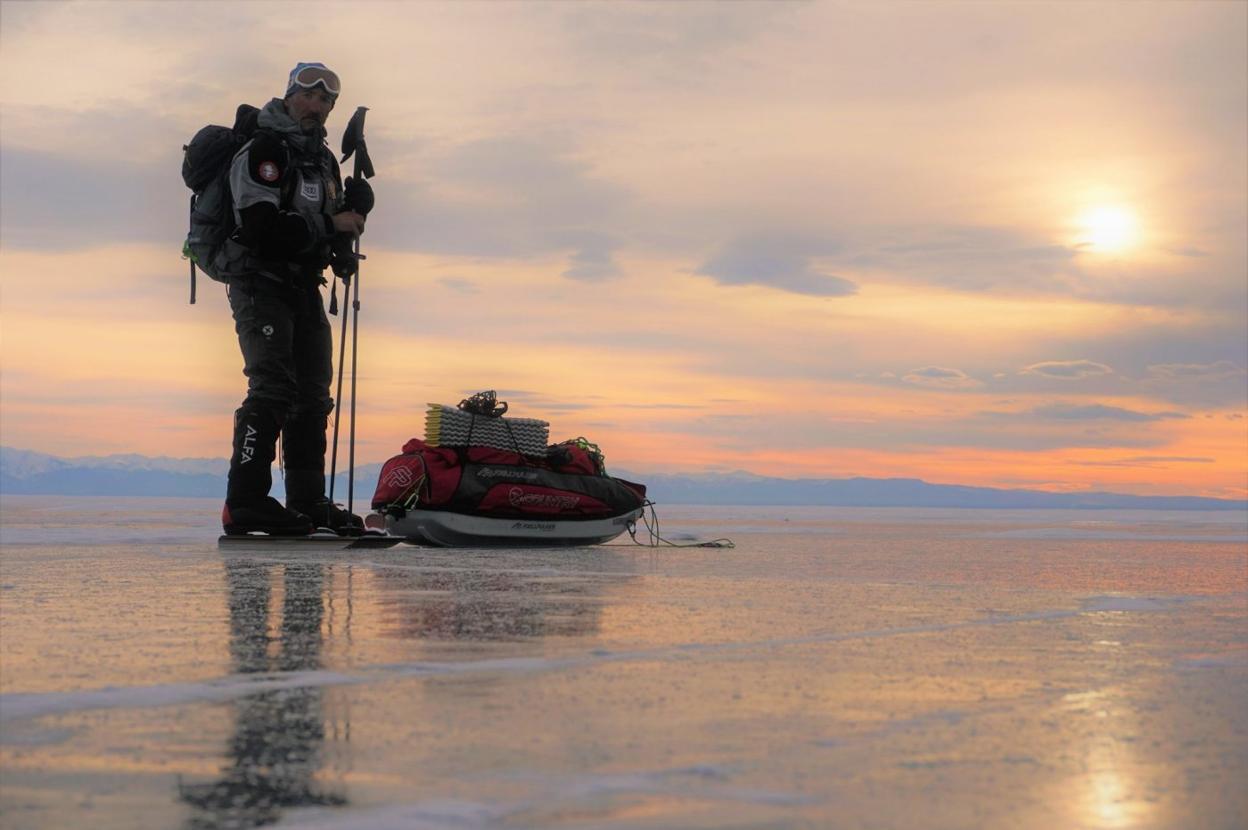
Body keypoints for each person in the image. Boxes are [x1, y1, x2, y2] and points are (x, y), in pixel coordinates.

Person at [221, 62, 371, 535]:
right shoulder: (265, 150)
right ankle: (245, 501)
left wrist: (339, 249)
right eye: (309, 94)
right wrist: (332, 227)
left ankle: (307, 501)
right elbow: (261, 229)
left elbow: (316, 224)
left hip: (304, 285)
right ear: (289, 95)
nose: (318, 105)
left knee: (312, 394)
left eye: (326, 99)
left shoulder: (323, 160)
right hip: (259, 282)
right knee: (271, 387)